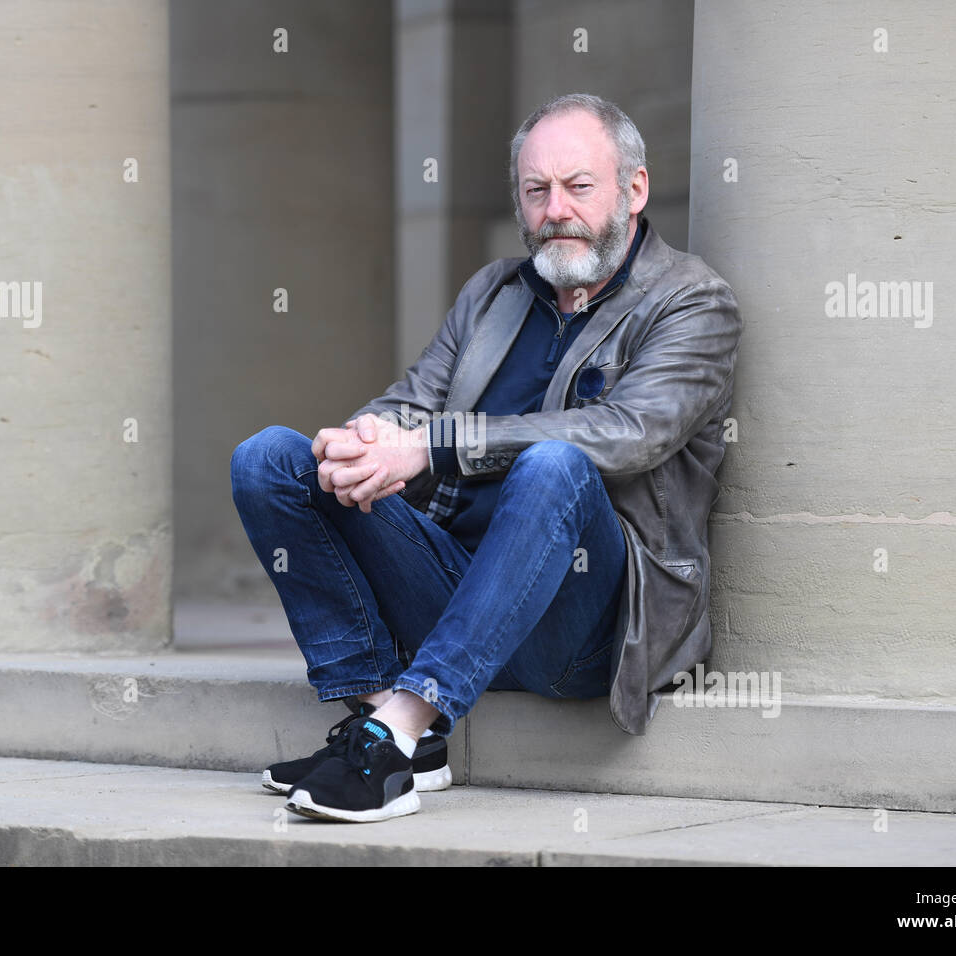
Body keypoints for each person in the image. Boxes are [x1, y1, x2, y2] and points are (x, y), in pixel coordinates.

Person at [230, 92, 742, 822]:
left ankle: (398, 732)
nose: (555, 209)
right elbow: (414, 401)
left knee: (556, 464)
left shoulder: (693, 302)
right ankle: (388, 723)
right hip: (451, 589)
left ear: (634, 188)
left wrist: (430, 447)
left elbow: (630, 432)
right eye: (536, 190)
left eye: (578, 186)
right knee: (270, 460)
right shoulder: (496, 292)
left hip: (584, 627)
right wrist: (364, 439)